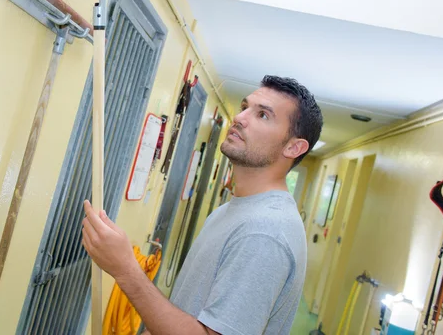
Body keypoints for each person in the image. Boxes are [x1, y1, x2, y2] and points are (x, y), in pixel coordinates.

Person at [82, 75, 323, 335]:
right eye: (245, 107)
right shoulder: (235, 210)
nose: (240, 118)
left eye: (263, 115)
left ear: (293, 147)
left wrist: (126, 270)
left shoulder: (265, 231)